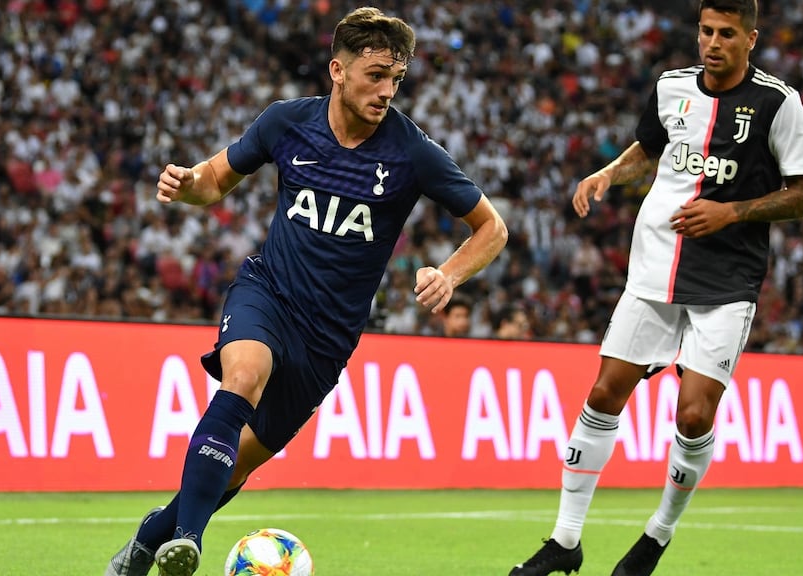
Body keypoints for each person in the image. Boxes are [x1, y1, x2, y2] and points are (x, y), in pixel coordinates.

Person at [105, 7, 507, 576]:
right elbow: (216, 179)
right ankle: (188, 542)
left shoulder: (412, 152)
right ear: (337, 70)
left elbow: (493, 227)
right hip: (267, 292)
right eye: (375, 75)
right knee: (243, 374)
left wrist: (450, 273)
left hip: (327, 338)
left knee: (236, 466)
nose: (387, 90)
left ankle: (153, 535)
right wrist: (188, 183)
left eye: (396, 79)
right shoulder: (286, 123)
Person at [509, 1, 803, 575]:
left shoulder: (780, 103)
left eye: (727, 34)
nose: (713, 43)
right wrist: (607, 173)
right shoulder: (670, 86)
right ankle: (565, 540)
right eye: (705, 31)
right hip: (654, 268)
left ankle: (657, 535)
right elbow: (647, 151)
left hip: (726, 281)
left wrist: (732, 212)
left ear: (751, 38)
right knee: (603, 393)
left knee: (694, 415)